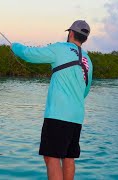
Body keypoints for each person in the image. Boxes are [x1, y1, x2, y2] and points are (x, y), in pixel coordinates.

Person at [11, 20, 93, 180]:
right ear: (85, 38)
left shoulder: (60, 49)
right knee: (69, 157)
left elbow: (29, 54)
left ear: (70, 33)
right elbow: (86, 90)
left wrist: (15, 46)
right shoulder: (88, 60)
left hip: (58, 115)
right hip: (77, 117)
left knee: (52, 157)